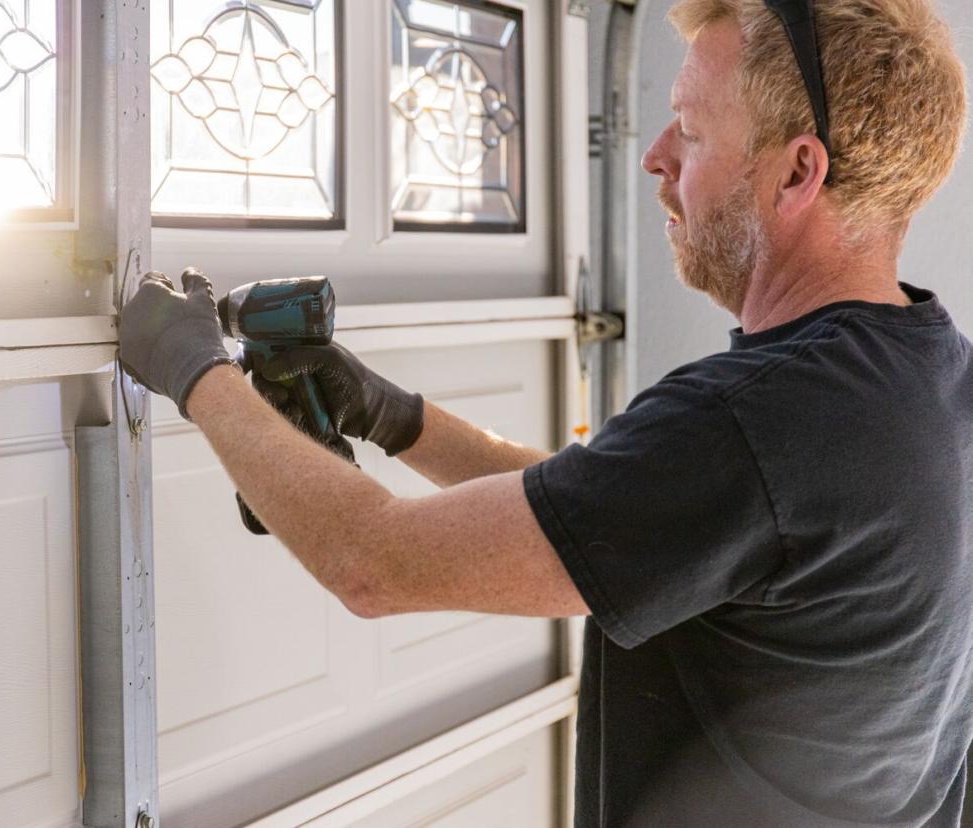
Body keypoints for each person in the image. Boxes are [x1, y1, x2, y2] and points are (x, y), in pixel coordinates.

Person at [119, 0, 972, 823]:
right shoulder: (934, 379)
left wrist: (194, 367)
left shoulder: (755, 425)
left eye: (694, 130)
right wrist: (393, 417)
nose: (656, 156)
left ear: (798, 170)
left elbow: (371, 563)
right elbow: (604, 509)